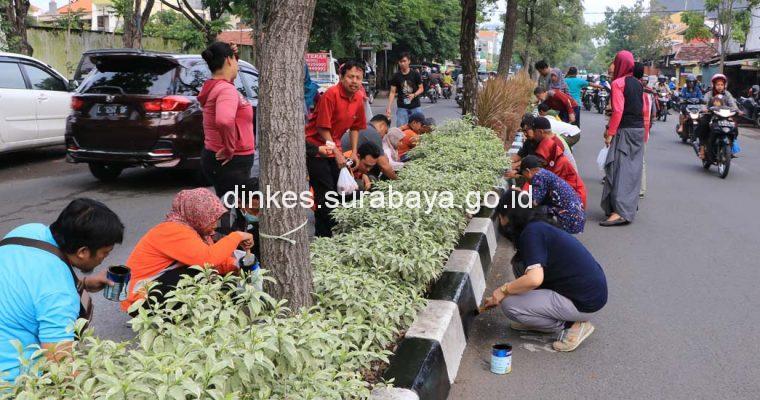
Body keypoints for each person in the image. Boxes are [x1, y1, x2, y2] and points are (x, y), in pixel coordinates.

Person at [0, 199, 124, 383]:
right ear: (82, 251)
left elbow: (30, 285)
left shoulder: (27, 232)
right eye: (104, 253)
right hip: (13, 384)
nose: (104, 259)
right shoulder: (60, 296)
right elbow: (60, 367)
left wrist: (84, 283)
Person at [483, 192, 607, 351]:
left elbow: (534, 279)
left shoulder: (531, 233)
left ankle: (573, 325)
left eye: (500, 216)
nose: (500, 221)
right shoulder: (538, 224)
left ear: (508, 215)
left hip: (584, 301)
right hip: (589, 292)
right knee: (519, 266)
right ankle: (542, 319)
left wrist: (503, 290)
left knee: (510, 304)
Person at [122, 188, 254, 315]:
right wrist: (237, 236)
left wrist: (239, 264)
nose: (215, 224)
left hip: (149, 291)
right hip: (139, 300)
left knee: (210, 273)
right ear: (198, 215)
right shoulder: (173, 231)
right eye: (211, 219)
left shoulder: (190, 229)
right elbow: (208, 260)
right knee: (200, 274)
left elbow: (213, 260)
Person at [305, 60, 366, 237]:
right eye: (350, 77)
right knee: (325, 195)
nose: (354, 81)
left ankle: (334, 232)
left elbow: (356, 126)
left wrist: (354, 152)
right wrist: (338, 153)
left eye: (358, 78)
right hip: (316, 148)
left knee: (343, 192)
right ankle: (324, 236)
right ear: (341, 77)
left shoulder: (359, 97)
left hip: (335, 146)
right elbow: (322, 128)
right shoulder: (331, 95)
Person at [198, 42, 255, 199]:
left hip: (222, 159)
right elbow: (224, 120)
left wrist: (233, 54)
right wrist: (229, 148)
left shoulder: (217, 85)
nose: (238, 64)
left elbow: (228, 73)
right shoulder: (225, 90)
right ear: (229, 61)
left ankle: (234, 223)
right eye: (235, 60)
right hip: (230, 160)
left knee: (229, 205)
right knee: (237, 205)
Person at [600, 50, 650, 227]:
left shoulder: (618, 83)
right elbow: (644, 109)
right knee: (632, 170)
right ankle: (626, 207)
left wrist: (610, 132)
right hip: (638, 130)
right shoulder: (638, 83)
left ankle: (619, 211)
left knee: (620, 169)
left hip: (625, 130)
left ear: (619, 63)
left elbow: (618, 110)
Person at [511, 115, 586, 207]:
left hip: (572, 198)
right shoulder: (545, 142)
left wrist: (524, 192)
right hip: (568, 194)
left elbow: (535, 173)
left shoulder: (549, 145)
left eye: (534, 131)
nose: (532, 135)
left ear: (540, 132)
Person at [519, 155, 586, 234]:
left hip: (568, 218)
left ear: (528, 171)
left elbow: (533, 201)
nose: (525, 179)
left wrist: (519, 194)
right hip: (577, 217)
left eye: (524, 175)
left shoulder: (538, 176)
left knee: (537, 212)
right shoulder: (544, 173)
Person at [341, 114, 398, 180]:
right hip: (346, 167)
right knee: (376, 165)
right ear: (382, 125)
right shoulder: (372, 133)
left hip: (349, 164)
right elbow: (384, 166)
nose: (383, 136)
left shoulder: (365, 127)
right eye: (385, 132)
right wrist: (397, 181)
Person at [697, 74, 741, 160]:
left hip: (724, 116)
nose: (720, 87)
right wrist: (704, 109)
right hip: (711, 115)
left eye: (721, 84)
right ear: (714, 85)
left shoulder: (727, 94)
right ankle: (702, 149)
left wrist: (737, 110)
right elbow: (704, 103)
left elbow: (733, 104)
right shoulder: (709, 94)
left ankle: (730, 147)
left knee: (734, 127)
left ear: (725, 85)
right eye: (718, 84)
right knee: (703, 124)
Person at [387, 53, 424, 127]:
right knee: (401, 130)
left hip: (415, 106)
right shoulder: (396, 76)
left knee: (418, 129)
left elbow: (421, 88)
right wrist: (389, 107)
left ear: (409, 61)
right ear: (398, 62)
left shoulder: (415, 74)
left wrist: (414, 95)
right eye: (401, 61)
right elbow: (392, 92)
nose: (402, 63)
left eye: (404, 61)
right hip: (402, 107)